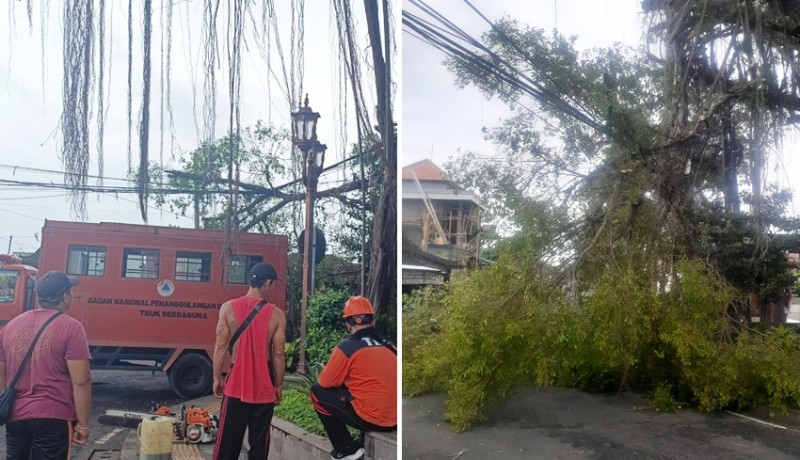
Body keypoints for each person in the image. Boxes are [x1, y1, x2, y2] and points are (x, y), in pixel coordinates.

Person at [0, 270, 92, 459]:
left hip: (15, 417)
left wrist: (5, 406)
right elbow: (81, 381)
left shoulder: (10, 327)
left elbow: (2, 374)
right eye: (71, 292)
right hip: (53, 416)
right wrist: (83, 424)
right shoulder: (72, 327)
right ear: (65, 296)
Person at [212, 262, 286, 460]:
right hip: (264, 386)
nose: (272, 289)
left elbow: (220, 346)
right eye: (273, 284)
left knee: (227, 443)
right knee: (259, 445)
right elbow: (278, 354)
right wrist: (278, 385)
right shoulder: (277, 314)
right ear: (268, 282)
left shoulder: (227, 308)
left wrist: (217, 377)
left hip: (235, 384)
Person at [310, 296, 397, 460]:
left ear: (347, 324)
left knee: (316, 391)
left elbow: (324, 382)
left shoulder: (347, 347)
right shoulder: (389, 345)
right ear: (373, 320)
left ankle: (346, 449)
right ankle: (360, 441)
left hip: (374, 418)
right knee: (363, 388)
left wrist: (329, 370)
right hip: (397, 418)